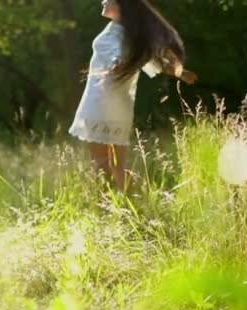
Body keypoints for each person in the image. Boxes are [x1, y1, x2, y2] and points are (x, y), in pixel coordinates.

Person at [69, 0, 197, 191]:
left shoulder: (126, 35)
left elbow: (124, 57)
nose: (103, 1)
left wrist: (179, 72)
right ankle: (139, 200)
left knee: (101, 163)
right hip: (116, 102)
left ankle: (112, 207)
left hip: (101, 101)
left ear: (121, 6)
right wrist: (180, 73)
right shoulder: (127, 32)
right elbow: (150, 60)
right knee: (116, 166)